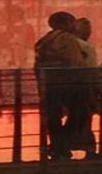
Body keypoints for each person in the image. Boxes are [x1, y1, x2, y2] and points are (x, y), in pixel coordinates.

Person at [34, 11, 88, 161]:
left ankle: (58, 147)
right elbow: (76, 63)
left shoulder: (43, 40)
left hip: (49, 85)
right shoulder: (67, 39)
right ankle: (62, 145)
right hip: (68, 84)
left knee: (53, 118)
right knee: (80, 113)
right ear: (65, 23)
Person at [69, 17, 102, 158]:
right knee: (86, 120)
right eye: (88, 30)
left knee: (73, 119)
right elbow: (92, 71)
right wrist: (101, 89)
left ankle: (62, 147)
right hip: (85, 90)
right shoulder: (87, 47)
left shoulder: (67, 45)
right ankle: (89, 149)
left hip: (66, 90)